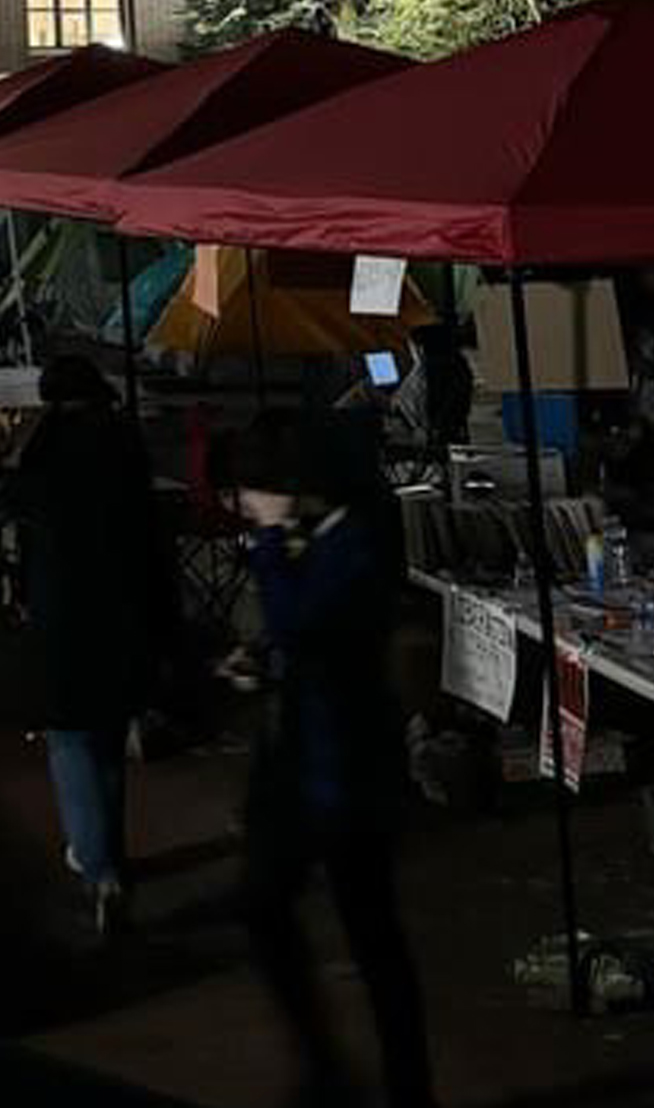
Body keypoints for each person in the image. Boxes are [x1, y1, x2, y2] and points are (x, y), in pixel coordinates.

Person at [231, 409, 438, 1108]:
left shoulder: (353, 541)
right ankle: (341, 1071)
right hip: (306, 758)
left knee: (369, 933)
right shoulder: (330, 533)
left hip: (344, 767)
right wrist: (263, 659)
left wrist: (268, 537)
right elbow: (299, 635)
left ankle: (400, 1087)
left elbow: (301, 622)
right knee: (278, 906)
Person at [0, 354, 175, 940]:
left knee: (70, 742)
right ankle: (108, 855)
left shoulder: (43, 447)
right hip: (125, 611)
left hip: (63, 617)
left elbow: (12, 503)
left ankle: (98, 867)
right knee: (107, 737)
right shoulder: (124, 444)